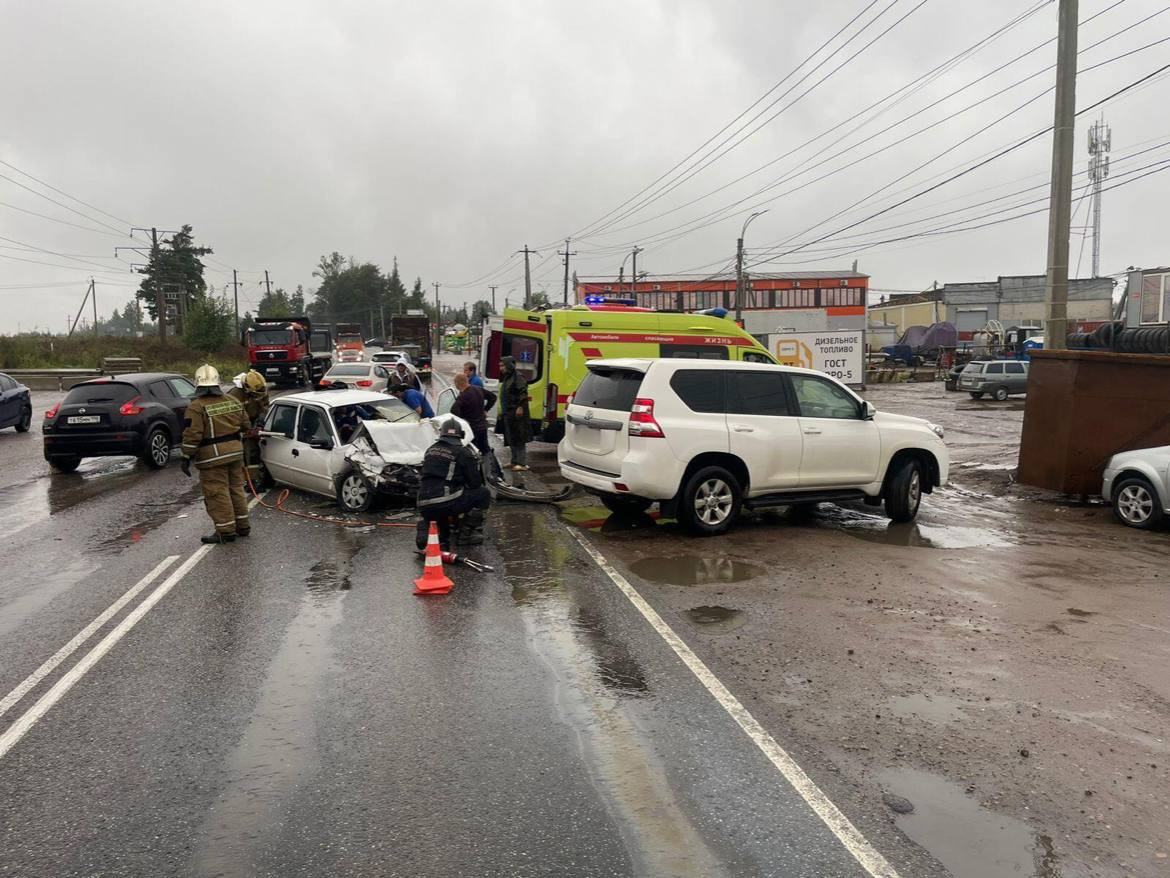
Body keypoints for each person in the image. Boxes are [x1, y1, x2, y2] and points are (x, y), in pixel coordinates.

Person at [180, 364, 252, 544]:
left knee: (217, 493)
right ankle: (243, 526)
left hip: (212, 459)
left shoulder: (196, 407)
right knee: (236, 489)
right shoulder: (233, 401)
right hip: (236, 454)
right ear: (217, 382)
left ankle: (225, 531)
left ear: (197, 383)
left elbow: (192, 434)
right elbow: (246, 425)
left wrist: (186, 456)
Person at [415, 419, 491, 550]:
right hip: (445, 502)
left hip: (423, 502)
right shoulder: (462, 452)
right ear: (461, 435)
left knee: (442, 535)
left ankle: (426, 530)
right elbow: (475, 483)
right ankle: (465, 536)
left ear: (441, 434)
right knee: (483, 494)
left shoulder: (430, 450)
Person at [228, 370, 270, 484]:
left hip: (254, 421)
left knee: (253, 452)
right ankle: (244, 481)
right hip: (238, 426)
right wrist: (243, 431)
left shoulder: (261, 389)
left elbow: (265, 407)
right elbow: (231, 417)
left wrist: (260, 423)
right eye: (256, 395)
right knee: (241, 454)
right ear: (247, 389)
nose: (259, 397)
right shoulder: (234, 395)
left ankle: (254, 479)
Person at [450, 371, 497, 459]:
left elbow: (454, 410)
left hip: (471, 428)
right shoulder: (478, 389)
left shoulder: (463, 396)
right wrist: (486, 410)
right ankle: (489, 466)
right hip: (482, 426)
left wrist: (462, 421)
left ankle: (475, 466)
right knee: (485, 449)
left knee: (472, 452)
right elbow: (493, 397)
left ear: (458, 383)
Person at [498, 355, 531, 471]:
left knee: (519, 437)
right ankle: (514, 461)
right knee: (511, 437)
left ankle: (521, 463)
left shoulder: (518, 377)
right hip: (508, 413)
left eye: (503, 366)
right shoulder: (508, 377)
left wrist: (520, 407)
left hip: (516, 413)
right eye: (500, 366)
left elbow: (523, 393)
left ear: (509, 366)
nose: (501, 368)